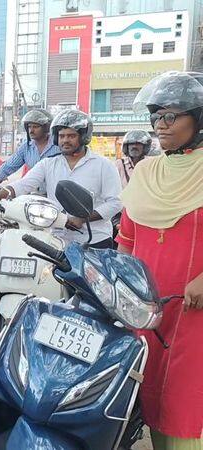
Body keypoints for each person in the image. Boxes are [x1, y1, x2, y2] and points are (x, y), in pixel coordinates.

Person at [117, 71, 203, 450]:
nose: (160, 125)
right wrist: (116, 288)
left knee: (187, 406)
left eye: (172, 116)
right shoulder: (148, 170)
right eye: (156, 116)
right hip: (146, 310)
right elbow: (126, 242)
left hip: (195, 312)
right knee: (149, 400)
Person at [0, 109, 122, 248]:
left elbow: (115, 203)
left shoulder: (103, 165)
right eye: (62, 136)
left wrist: (83, 219)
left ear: (83, 137)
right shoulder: (48, 164)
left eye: (71, 136)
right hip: (56, 239)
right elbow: (22, 185)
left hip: (94, 239)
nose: (65, 140)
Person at [0, 108, 61, 182]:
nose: (31, 131)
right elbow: (8, 167)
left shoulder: (59, 144)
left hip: (56, 190)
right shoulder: (26, 147)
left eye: (36, 127)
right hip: (33, 190)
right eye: (29, 127)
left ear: (46, 128)